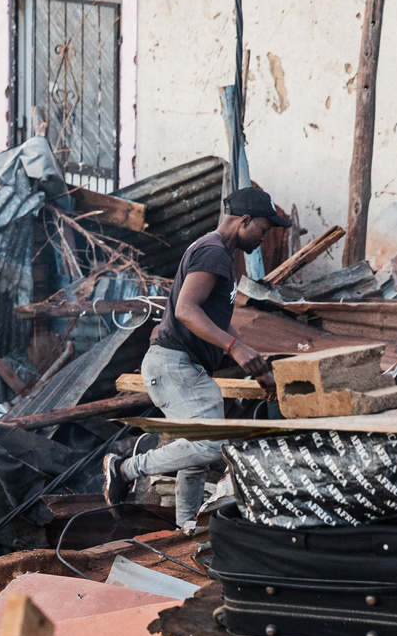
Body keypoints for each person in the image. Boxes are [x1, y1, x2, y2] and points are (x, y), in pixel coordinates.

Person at [103, 183, 289, 531]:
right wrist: (236, 349)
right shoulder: (212, 252)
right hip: (174, 364)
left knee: (197, 454)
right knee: (210, 446)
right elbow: (187, 310)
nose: (264, 238)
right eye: (263, 229)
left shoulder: (220, 254)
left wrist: (255, 364)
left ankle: (186, 528)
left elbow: (215, 320)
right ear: (245, 220)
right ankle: (124, 469)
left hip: (186, 366)